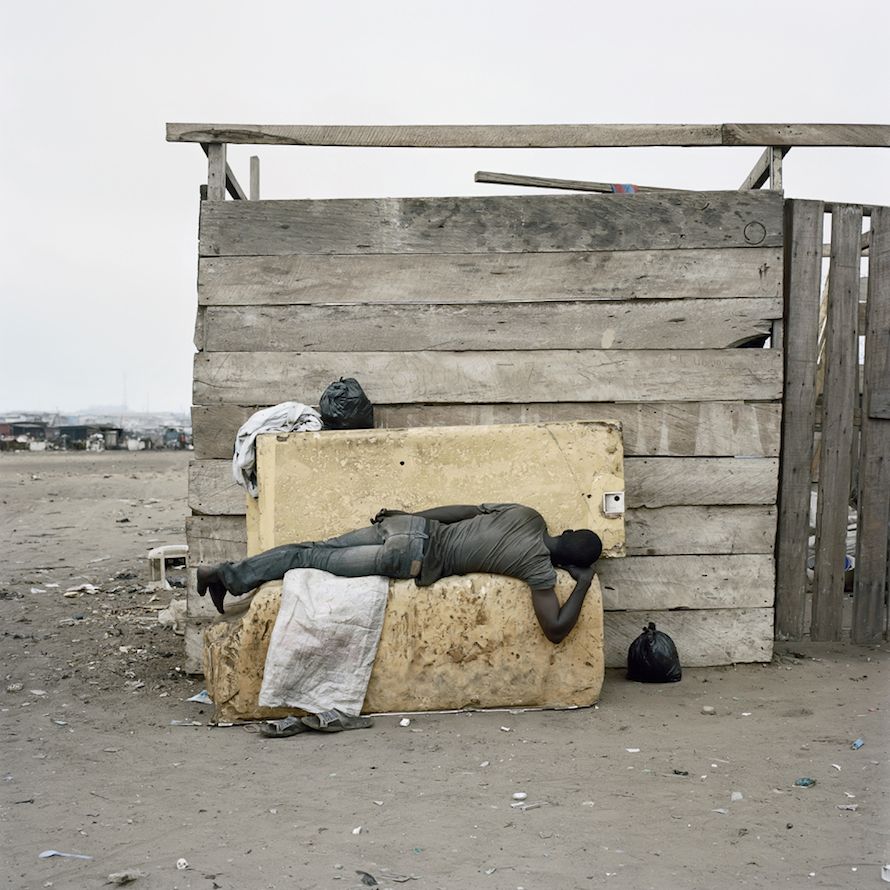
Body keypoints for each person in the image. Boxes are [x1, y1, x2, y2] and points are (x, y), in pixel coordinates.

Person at [197, 503, 602, 644]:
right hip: (410, 557)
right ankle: (224, 576)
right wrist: (581, 585)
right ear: (566, 562)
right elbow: (554, 629)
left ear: (564, 532)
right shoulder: (537, 569)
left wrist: (408, 516)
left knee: (312, 549)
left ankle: (224, 573)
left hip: (408, 527)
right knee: (312, 561)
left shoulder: (528, 515)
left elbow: (459, 511)